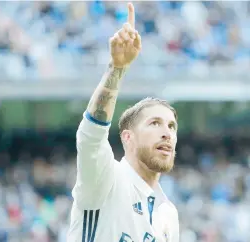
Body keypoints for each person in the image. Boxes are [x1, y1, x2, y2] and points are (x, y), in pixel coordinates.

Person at [67, 3, 179, 242]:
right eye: (155, 123)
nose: (167, 133)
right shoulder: (106, 178)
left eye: (171, 126)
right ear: (128, 137)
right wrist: (116, 69)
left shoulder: (168, 213)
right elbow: (91, 137)